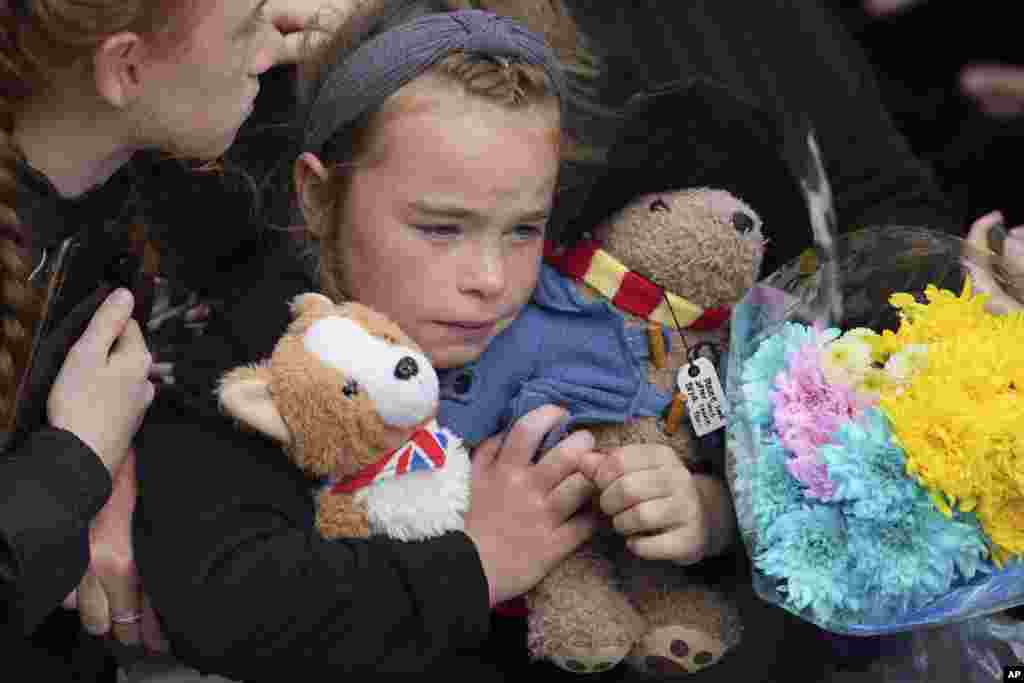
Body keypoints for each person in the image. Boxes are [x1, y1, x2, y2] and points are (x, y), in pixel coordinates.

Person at [131, 7, 737, 680]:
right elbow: (222, 601)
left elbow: (726, 459)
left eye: (523, 229)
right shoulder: (263, 360)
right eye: (441, 229)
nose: (490, 279)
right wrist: (477, 556)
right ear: (318, 193)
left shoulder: (582, 322)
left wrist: (704, 512)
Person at [0, 0, 366, 679]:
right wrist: (75, 463)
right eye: (249, 24)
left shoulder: (122, 174)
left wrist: (116, 463)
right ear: (128, 67)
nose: (272, 41)